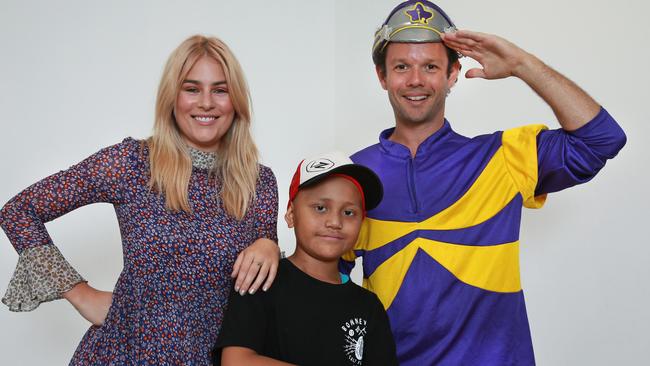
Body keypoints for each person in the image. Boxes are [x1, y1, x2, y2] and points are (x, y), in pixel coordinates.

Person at [339, 1, 628, 365]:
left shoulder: (503, 157)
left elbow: (602, 140)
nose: (415, 80)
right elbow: (324, 284)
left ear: (453, 73)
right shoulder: (353, 175)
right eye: (402, 67)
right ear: (382, 76)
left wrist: (523, 65)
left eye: (430, 66)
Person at [0, 35, 280, 365]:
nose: (206, 102)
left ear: (236, 100)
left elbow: (259, 284)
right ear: (172, 97)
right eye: (191, 89)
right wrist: (80, 293)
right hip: (129, 353)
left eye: (220, 90)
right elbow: (19, 210)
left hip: (213, 357)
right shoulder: (131, 163)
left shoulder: (259, 182)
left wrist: (269, 244)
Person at [214, 152, 398, 366]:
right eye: (320, 208)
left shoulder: (368, 307)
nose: (334, 222)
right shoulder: (261, 279)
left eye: (349, 212)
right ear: (291, 214)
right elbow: (236, 361)